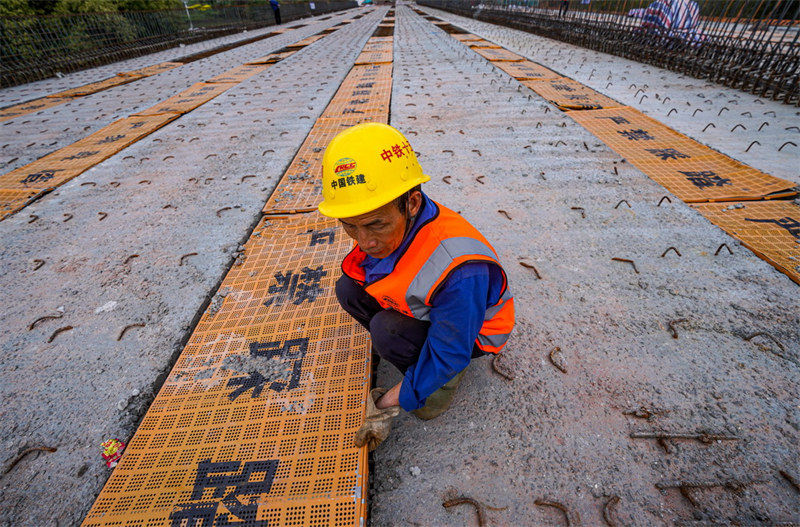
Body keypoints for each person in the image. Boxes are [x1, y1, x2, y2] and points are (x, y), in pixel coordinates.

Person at [318, 123, 515, 445]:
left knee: (389, 330)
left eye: (376, 225)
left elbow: (450, 345)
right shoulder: (397, 224)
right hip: (434, 305)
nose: (364, 241)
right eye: (349, 226)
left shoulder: (461, 268)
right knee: (348, 290)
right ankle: (417, 356)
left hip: (474, 333)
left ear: (411, 203)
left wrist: (383, 404)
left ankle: (438, 383)